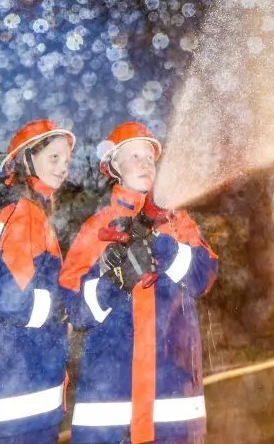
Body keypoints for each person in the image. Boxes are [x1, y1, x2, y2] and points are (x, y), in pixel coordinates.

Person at [60, 122, 217, 444]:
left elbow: (204, 275)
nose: (145, 163)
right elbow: (73, 306)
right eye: (134, 156)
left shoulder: (179, 221)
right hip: (111, 404)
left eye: (149, 157)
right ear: (113, 167)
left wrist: (168, 251)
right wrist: (114, 281)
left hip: (173, 398)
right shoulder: (96, 228)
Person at [0, 119, 76, 443]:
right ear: (26, 160)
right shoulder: (26, 216)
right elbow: (11, 298)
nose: (63, 168)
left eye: (67, 161)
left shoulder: (15, 213)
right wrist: (64, 309)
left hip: (10, 380)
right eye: (54, 158)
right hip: (25, 384)